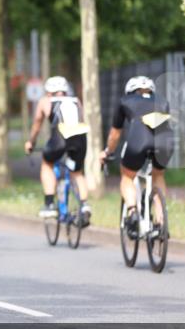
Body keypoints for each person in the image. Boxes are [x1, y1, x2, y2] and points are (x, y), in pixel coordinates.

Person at [100, 76, 173, 237]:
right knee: (158, 174)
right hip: (165, 141)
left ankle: (132, 212)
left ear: (130, 91)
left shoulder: (125, 101)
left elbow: (115, 134)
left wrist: (107, 152)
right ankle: (161, 222)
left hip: (139, 139)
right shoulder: (162, 101)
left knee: (127, 176)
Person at [24, 76, 92, 224]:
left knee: (47, 164)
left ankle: (49, 204)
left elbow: (37, 124)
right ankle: (85, 205)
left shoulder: (45, 101)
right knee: (77, 173)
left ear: (49, 92)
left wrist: (31, 142)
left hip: (60, 138)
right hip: (80, 139)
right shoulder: (76, 101)